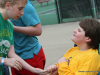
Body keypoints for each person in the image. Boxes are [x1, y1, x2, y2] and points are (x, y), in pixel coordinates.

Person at [0, 0, 48, 75]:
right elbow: (6, 59)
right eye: (20, 9)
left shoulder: (9, 25)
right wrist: (4, 61)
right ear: (8, 5)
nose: (22, 13)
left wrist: (33, 69)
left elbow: (11, 54)